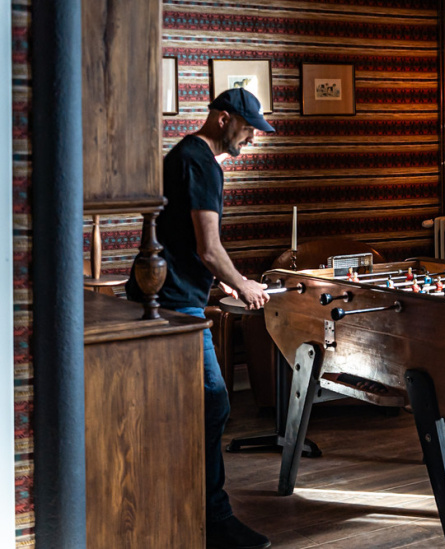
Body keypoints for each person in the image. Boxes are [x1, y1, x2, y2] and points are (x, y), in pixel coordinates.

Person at [126, 88, 273, 549]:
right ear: (223, 118)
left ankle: (182, 505)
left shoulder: (186, 155)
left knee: (182, 407)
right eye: (248, 128)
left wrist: (222, 282)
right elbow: (209, 248)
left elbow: (184, 242)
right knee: (213, 402)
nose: (251, 138)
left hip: (164, 294)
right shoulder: (201, 163)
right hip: (173, 302)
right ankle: (214, 519)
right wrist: (243, 284)